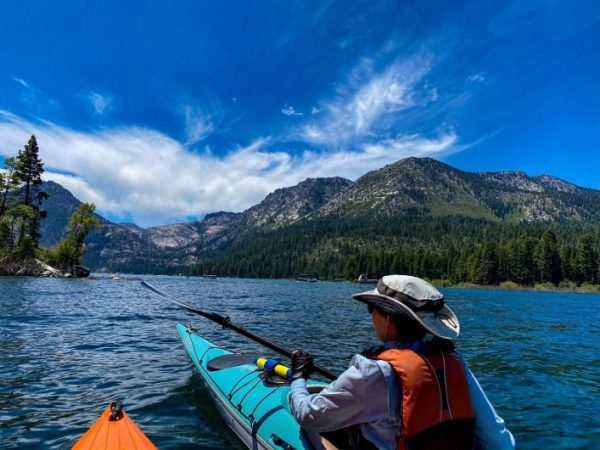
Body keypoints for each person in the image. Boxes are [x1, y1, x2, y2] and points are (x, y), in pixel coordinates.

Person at [289, 275, 515, 450]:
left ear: (389, 320)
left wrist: (299, 379)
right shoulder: (453, 361)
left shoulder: (372, 372)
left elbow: (308, 414)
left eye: (372, 309)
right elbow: (498, 438)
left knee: (310, 428)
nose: (370, 316)